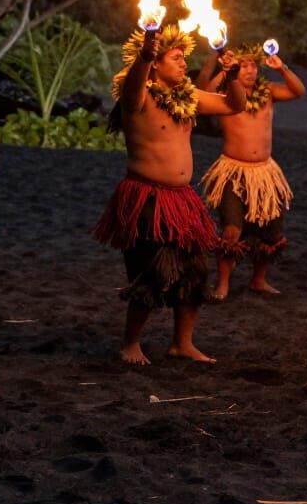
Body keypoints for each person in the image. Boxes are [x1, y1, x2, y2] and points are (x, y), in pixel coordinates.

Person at [94, 25, 246, 365]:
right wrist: (147, 50)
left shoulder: (188, 98)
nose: (183, 64)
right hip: (146, 198)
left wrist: (232, 74)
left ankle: (182, 343)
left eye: (184, 59)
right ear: (156, 64)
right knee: (152, 271)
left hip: (182, 199)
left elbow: (236, 105)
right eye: (176, 58)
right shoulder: (139, 99)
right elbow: (133, 85)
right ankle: (131, 343)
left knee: (194, 271)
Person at [197, 43, 306, 299]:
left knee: (271, 231)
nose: (249, 70)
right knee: (232, 231)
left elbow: (298, 91)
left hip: (266, 173)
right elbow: (203, 92)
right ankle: (223, 284)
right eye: (243, 65)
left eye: (252, 65)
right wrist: (227, 70)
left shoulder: (267, 92)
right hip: (233, 171)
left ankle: (259, 280)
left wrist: (282, 67)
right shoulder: (226, 94)